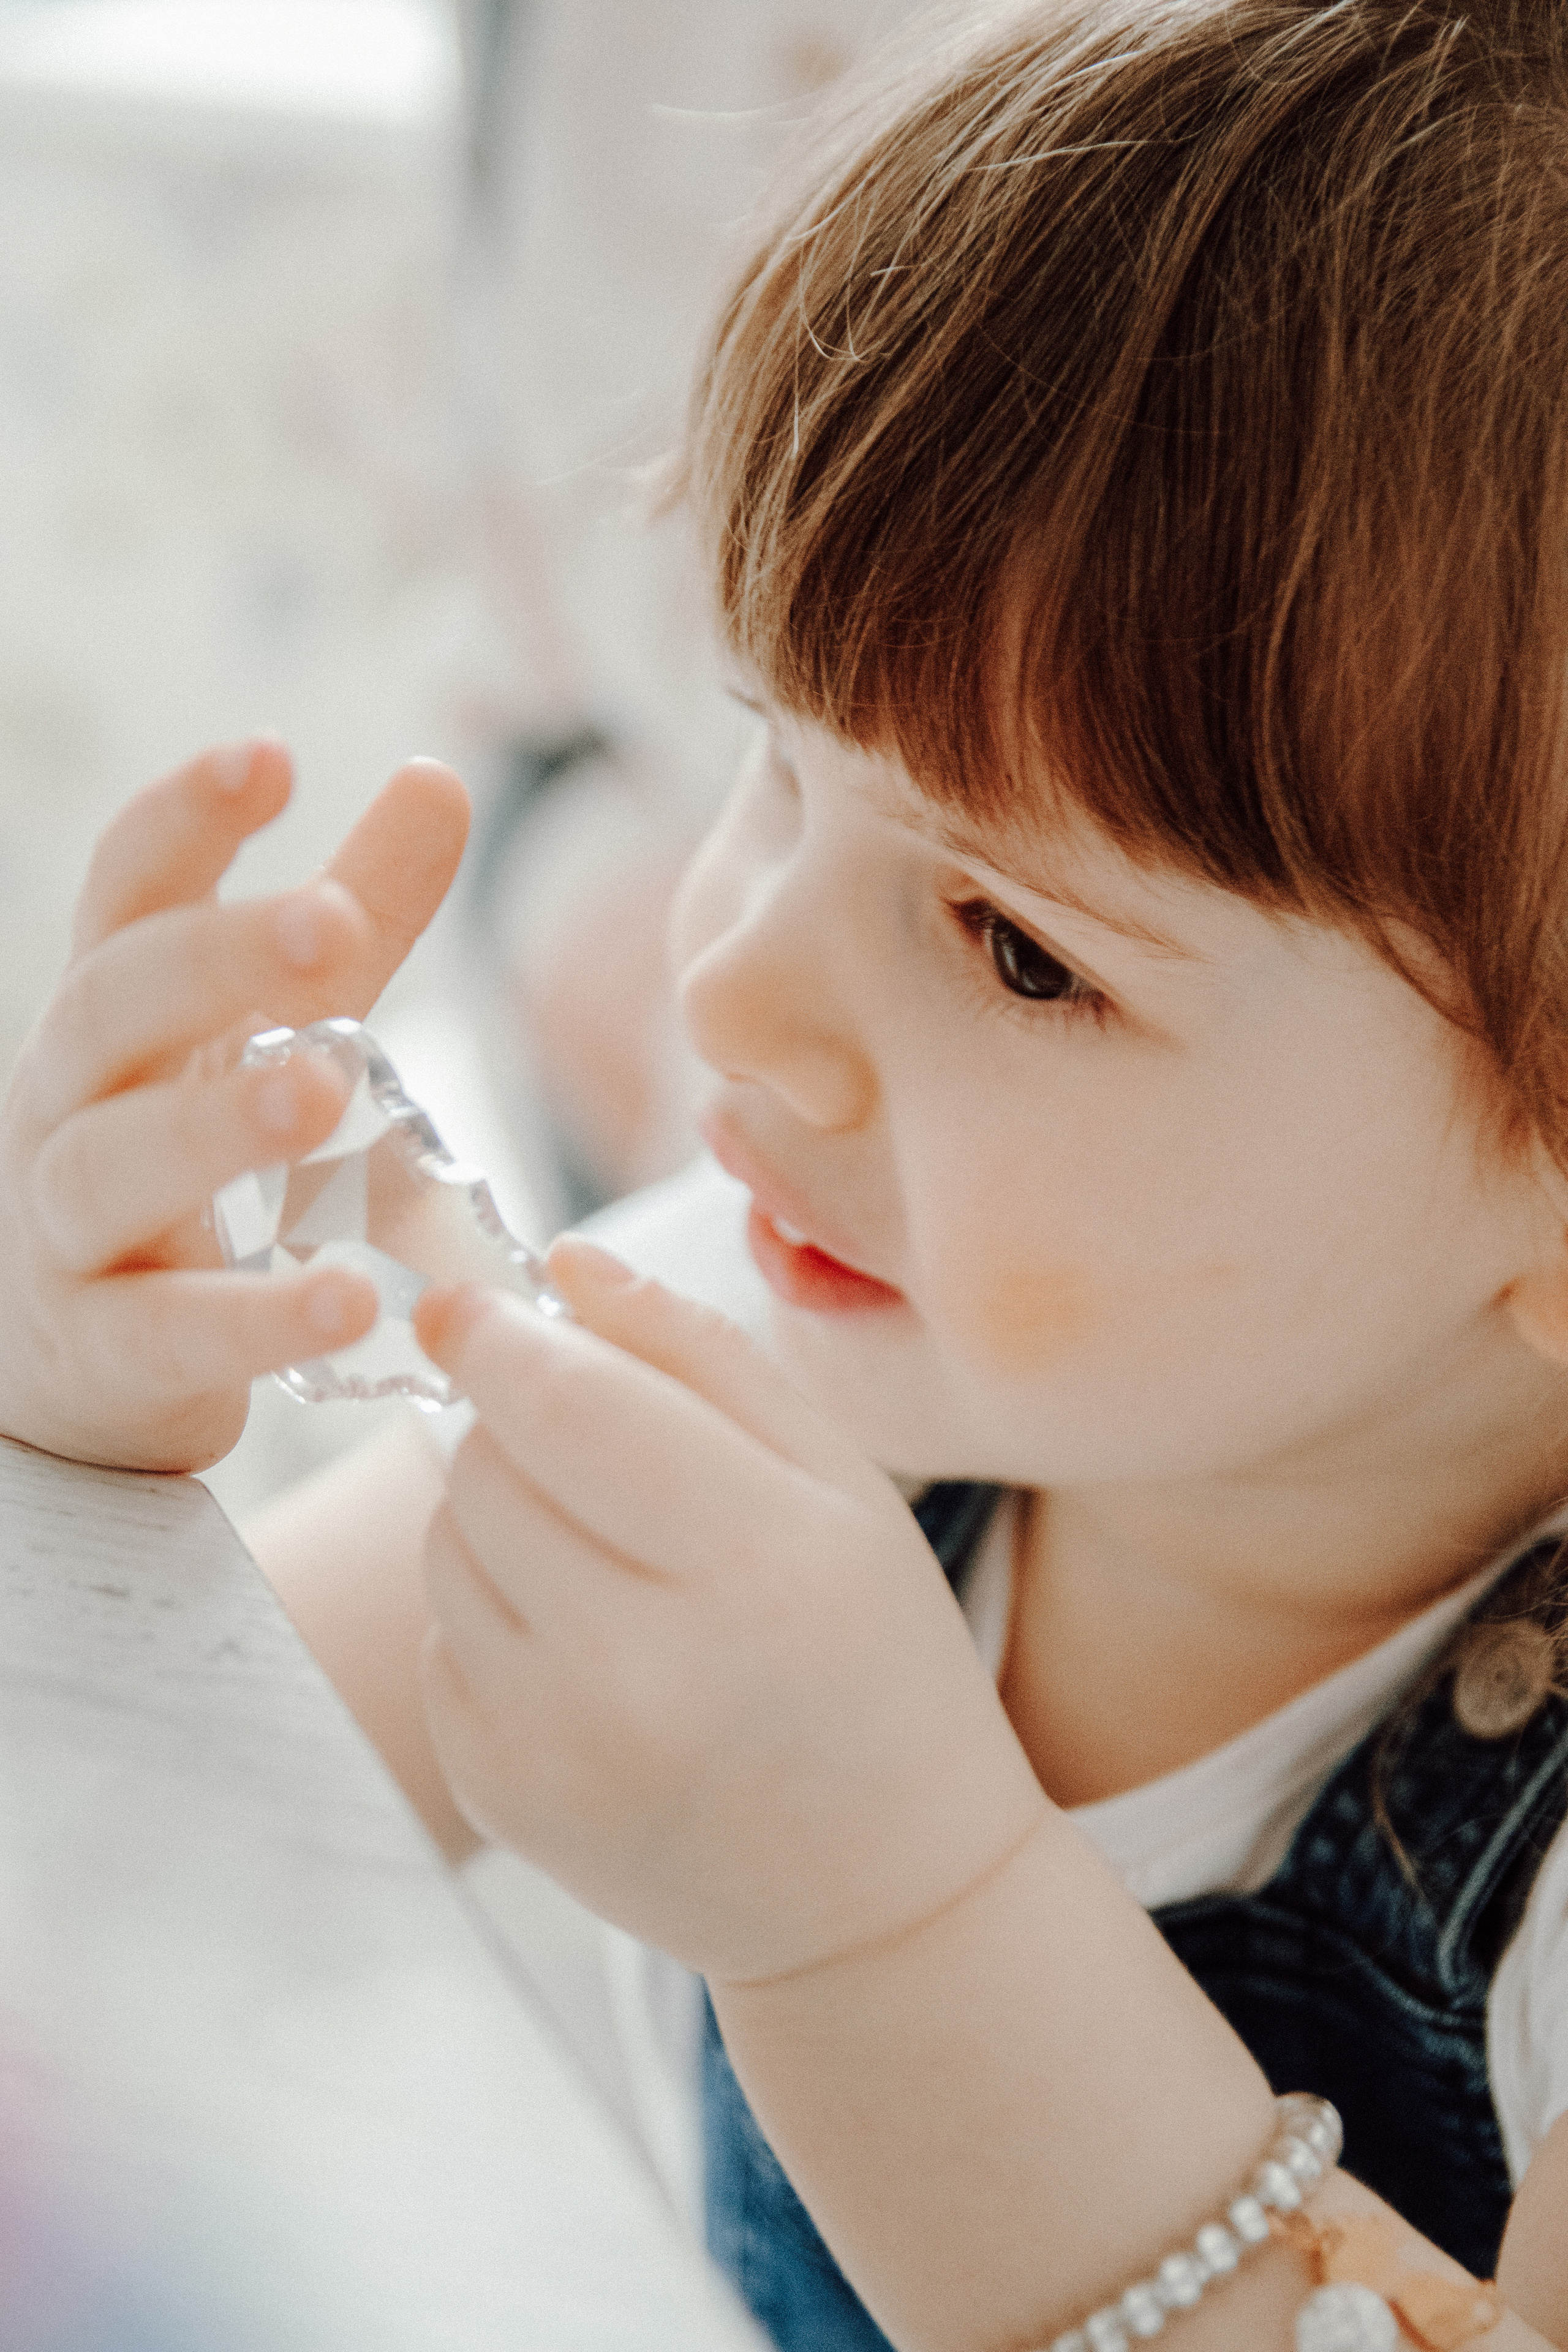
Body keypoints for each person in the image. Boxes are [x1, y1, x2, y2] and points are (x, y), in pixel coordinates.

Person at [4, 0, 1568, 2345]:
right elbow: (113, 1862)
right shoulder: (762, 1347)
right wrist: (80, 1438)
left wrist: (895, 1921)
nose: (726, 992)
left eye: (1019, 948)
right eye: (771, 764)